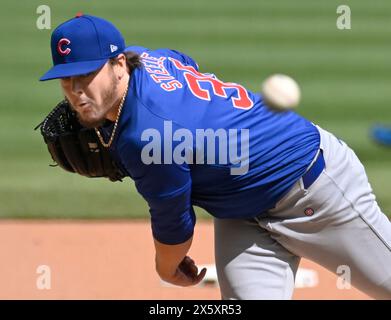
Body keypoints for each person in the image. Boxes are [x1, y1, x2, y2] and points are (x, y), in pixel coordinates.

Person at [40, 14, 391, 299]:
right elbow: (183, 62)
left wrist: (167, 268)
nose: (76, 90)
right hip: (242, 214)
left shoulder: (146, 136)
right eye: (66, 79)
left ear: (118, 64)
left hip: (314, 190)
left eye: (86, 75)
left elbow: (174, 226)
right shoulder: (147, 58)